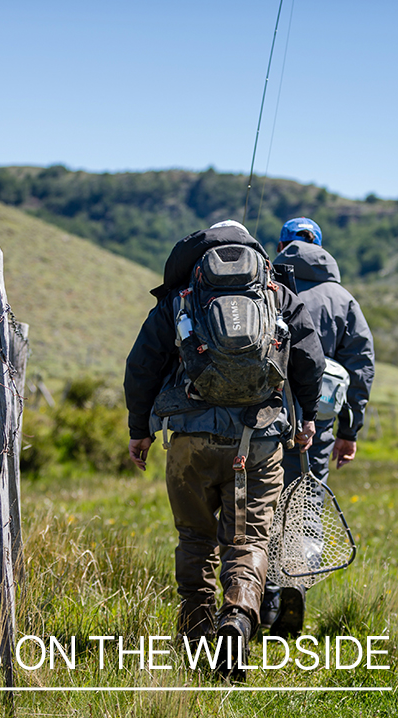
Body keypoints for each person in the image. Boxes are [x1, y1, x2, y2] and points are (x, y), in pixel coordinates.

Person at [124, 220, 323, 679]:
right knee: (248, 540)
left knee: (195, 538)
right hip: (260, 440)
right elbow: (309, 358)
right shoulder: (276, 292)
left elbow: (141, 365)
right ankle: (237, 618)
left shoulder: (180, 298)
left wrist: (141, 430)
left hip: (190, 442)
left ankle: (194, 638)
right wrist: (307, 417)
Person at [262, 217, 376, 637]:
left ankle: (265, 600)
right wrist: (350, 431)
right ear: (321, 248)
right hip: (320, 425)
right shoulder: (342, 299)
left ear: (281, 246)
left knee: (263, 506)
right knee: (305, 504)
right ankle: (297, 587)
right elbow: (361, 368)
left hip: (263, 419)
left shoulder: (267, 289)